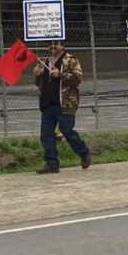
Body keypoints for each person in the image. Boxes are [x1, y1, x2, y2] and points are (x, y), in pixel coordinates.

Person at [32, 40, 91, 174]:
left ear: (62, 45)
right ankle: (51, 163)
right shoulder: (44, 61)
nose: (52, 46)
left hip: (65, 103)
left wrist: (61, 75)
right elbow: (40, 84)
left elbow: (78, 79)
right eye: (49, 44)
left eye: (56, 43)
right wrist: (37, 76)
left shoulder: (71, 60)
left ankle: (84, 153)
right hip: (47, 104)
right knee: (46, 135)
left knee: (67, 131)